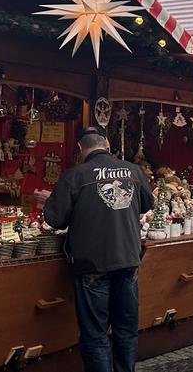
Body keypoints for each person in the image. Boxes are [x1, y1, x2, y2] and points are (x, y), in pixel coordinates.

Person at [38, 127, 154, 372]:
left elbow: (55, 219)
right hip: (128, 260)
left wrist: (49, 200)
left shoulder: (75, 175)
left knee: (95, 334)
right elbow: (146, 204)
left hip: (92, 264)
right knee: (126, 329)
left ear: (80, 149)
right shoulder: (134, 171)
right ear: (108, 144)